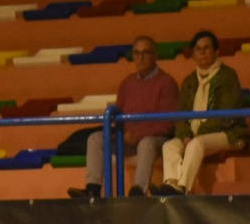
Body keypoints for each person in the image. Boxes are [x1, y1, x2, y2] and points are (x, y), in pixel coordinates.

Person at [68, 36, 179, 198]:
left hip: (156, 140)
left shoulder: (167, 83)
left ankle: (138, 190)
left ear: (155, 55)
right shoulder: (127, 83)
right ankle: (92, 189)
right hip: (128, 138)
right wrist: (123, 133)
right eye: (136, 53)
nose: (141, 58)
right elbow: (118, 115)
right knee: (95, 138)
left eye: (146, 53)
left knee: (146, 143)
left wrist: (137, 136)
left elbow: (168, 123)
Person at [155, 30, 248, 196]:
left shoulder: (228, 76)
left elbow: (227, 114)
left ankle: (183, 189)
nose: (202, 53)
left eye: (207, 48)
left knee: (196, 144)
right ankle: (171, 183)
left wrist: (197, 134)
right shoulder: (189, 81)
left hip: (229, 132)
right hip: (193, 134)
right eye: (198, 49)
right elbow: (180, 114)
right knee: (169, 146)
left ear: (216, 51)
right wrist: (185, 135)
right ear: (193, 54)